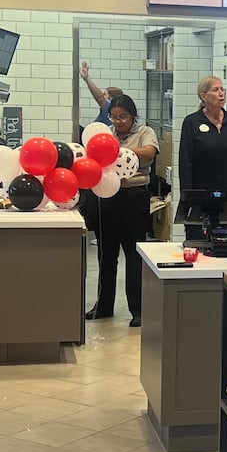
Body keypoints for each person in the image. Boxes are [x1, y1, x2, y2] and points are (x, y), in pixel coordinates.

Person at [86, 95, 157, 327]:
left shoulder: (144, 131)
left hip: (135, 197)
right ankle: (103, 305)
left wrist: (117, 152)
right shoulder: (105, 133)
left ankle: (138, 309)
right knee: (106, 254)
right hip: (107, 196)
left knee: (134, 254)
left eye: (122, 117)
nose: (118, 121)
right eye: (114, 117)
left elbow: (149, 152)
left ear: (132, 116)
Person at [179, 75, 227, 240]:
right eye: (216, 90)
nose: (221, 93)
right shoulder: (192, 122)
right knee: (199, 243)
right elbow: (186, 163)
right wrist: (188, 197)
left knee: (224, 243)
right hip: (201, 194)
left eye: (222, 90)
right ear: (203, 96)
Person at [79, 61, 122, 127]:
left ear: (112, 98)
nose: (103, 96)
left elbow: (99, 98)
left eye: (104, 94)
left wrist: (87, 79)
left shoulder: (109, 107)